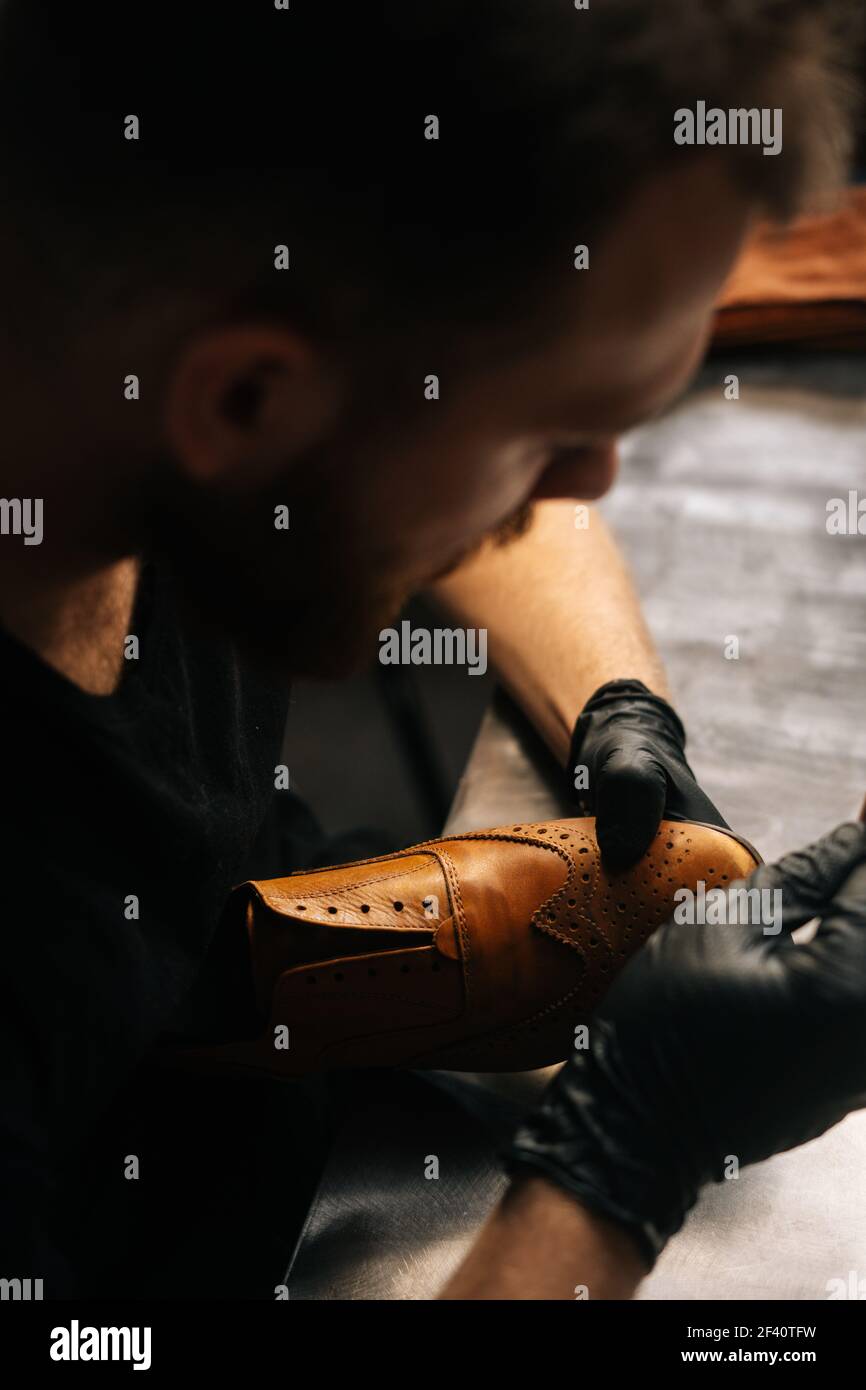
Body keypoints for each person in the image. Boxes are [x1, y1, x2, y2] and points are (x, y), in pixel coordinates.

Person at [0, 0, 861, 1296]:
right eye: (548, 433)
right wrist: (626, 1149)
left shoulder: (114, 373)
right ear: (244, 401)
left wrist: (621, 712)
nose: (587, 485)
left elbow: (426, 437)